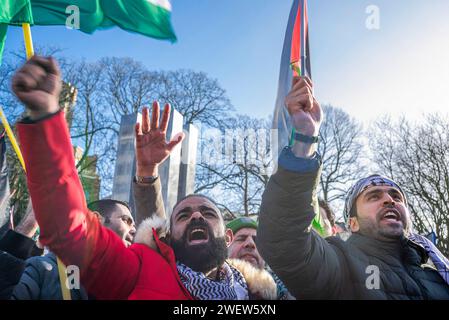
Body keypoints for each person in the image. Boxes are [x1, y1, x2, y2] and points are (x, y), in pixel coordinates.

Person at [12, 55, 276, 300]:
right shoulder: (138, 270)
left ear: (228, 237)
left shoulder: (263, 294)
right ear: (169, 238)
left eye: (208, 213)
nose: (196, 216)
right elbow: (70, 228)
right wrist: (45, 118)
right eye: (183, 216)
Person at [257, 75, 449, 299]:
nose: (389, 200)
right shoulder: (340, 263)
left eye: (396, 196)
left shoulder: (436, 274)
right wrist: (304, 140)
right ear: (352, 223)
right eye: (373, 196)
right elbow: (283, 239)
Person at [10, 200, 133, 300]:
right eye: (126, 220)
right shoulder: (43, 270)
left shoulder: (131, 286)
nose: (133, 230)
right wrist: (29, 225)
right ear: (96, 220)